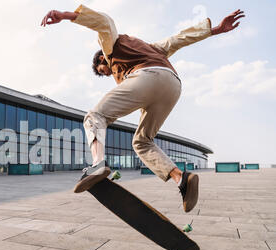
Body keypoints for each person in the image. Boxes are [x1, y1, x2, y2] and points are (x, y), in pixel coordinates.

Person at [41, 5, 244, 212]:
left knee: (95, 116)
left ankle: (97, 164)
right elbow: (178, 39)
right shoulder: (150, 47)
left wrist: (65, 16)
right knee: (142, 142)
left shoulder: (109, 48)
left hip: (147, 77)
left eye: (105, 71)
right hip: (172, 85)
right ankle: (181, 179)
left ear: (102, 58)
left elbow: (105, 23)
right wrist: (214, 30)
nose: (109, 75)